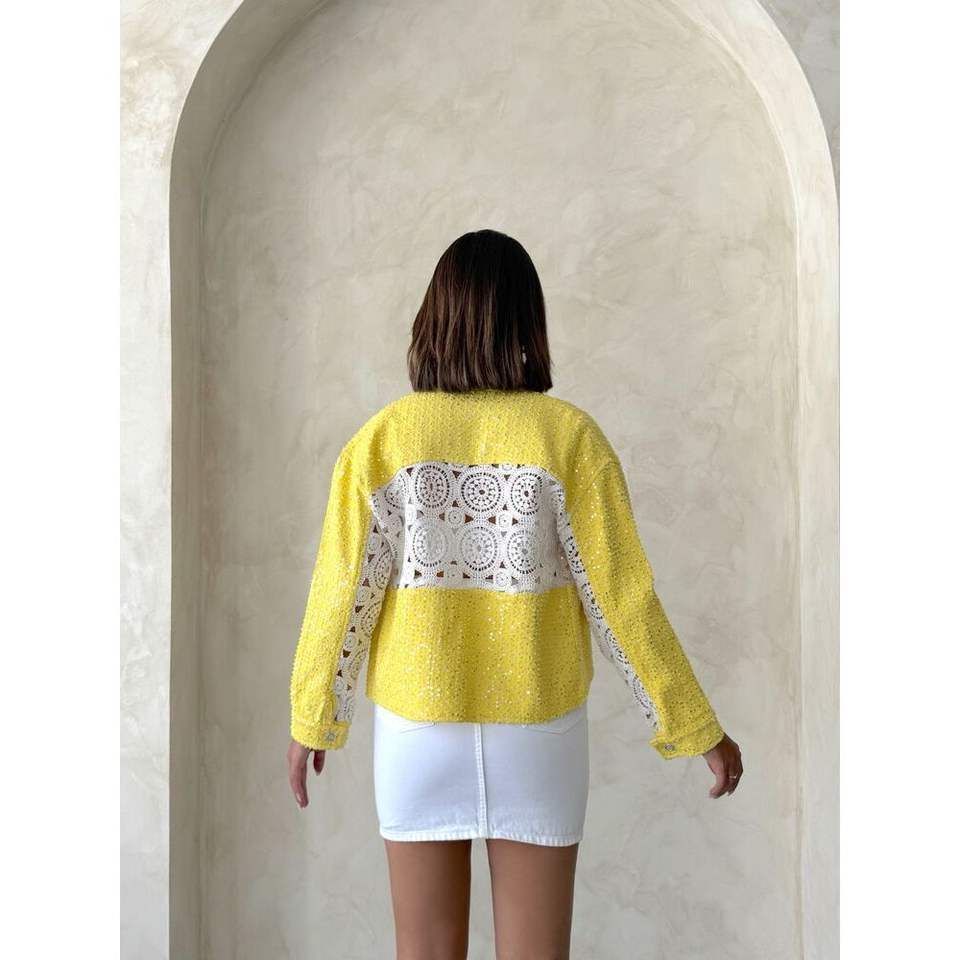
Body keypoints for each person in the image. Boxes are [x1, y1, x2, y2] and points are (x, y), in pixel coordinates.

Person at [286, 228, 743, 959]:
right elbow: (623, 602)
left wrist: (314, 716)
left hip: (415, 730)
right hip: (539, 728)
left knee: (423, 948)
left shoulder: (384, 440)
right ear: (528, 321)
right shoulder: (570, 439)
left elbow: (342, 591)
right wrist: (694, 725)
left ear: (433, 318)